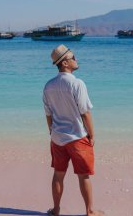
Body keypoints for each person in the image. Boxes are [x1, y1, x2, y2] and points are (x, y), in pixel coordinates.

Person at [43, 44, 104, 216]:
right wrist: (92, 135)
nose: (76, 60)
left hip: (57, 137)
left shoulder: (48, 85)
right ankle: (89, 211)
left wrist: (51, 132)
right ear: (64, 63)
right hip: (77, 136)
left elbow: (48, 114)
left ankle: (56, 210)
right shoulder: (77, 83)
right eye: (73, 57)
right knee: (83, 176)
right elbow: (85, 112)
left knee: (58, 174)